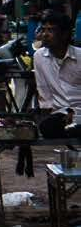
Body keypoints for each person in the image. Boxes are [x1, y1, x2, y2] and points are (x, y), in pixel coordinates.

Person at [33, 8, 81, 136]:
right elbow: (44, 92)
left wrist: (76, 115)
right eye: (43, 30)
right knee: (47, 127)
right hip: (61, 115)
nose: (45, 35)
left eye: (51, 30)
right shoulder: (39, 57)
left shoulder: (79, 57)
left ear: (64, 34)